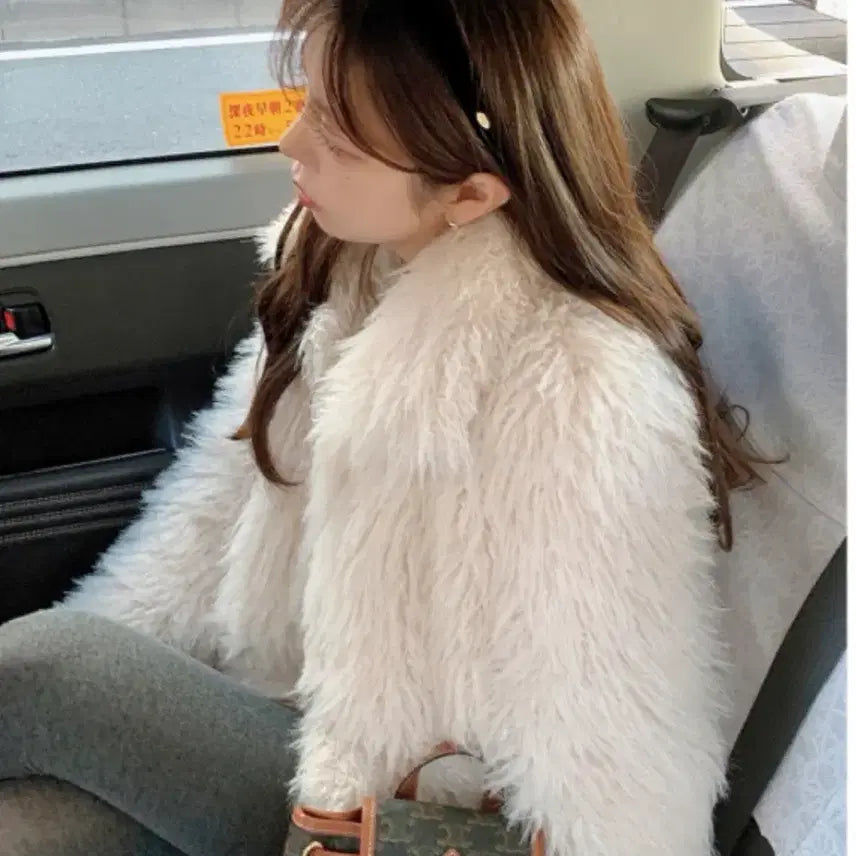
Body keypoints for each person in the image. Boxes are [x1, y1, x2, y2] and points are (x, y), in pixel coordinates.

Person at [0, 1, 757, 854]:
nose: (291, 142)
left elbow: (611, 741)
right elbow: (208, 522)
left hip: (387, 812)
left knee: (46, 669)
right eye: (308, 102)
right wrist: (126, 660)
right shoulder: (342, 270)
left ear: (470, 193)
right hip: (283, 718)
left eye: (338, 135)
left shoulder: (575, 385)